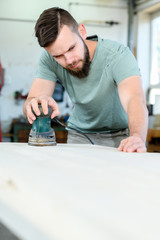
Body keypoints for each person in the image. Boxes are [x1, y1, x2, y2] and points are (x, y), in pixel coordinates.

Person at [23, 7, 148, 152]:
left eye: (71, 48)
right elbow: (32, 99)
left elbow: (134, 99)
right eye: (58, 56)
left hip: (120, 137)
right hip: (78, 135)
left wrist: (137, 136)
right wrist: (34, 105)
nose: (69, 60)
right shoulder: (48, 59)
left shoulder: (118, 55)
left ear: (82, 32)